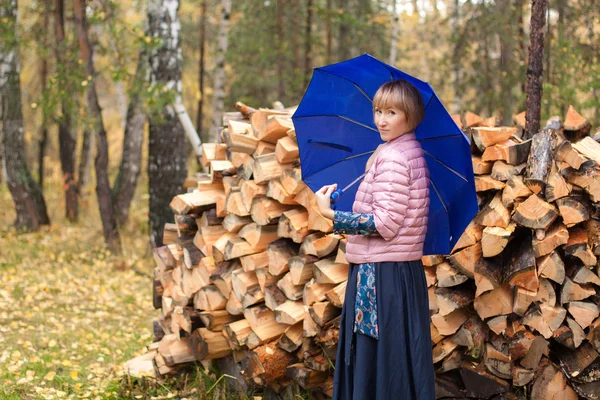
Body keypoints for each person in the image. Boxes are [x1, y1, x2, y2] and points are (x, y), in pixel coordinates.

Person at [315, 79, 436, 399]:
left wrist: (330, 215)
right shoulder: (401, 151)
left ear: (410, 117)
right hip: (397, 272)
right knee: (394, 355)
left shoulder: (394, 158)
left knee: (377, 355)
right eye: (378, 111)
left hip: (381, 276)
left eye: (392, 112)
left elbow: (385, 223)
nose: (381, 120)